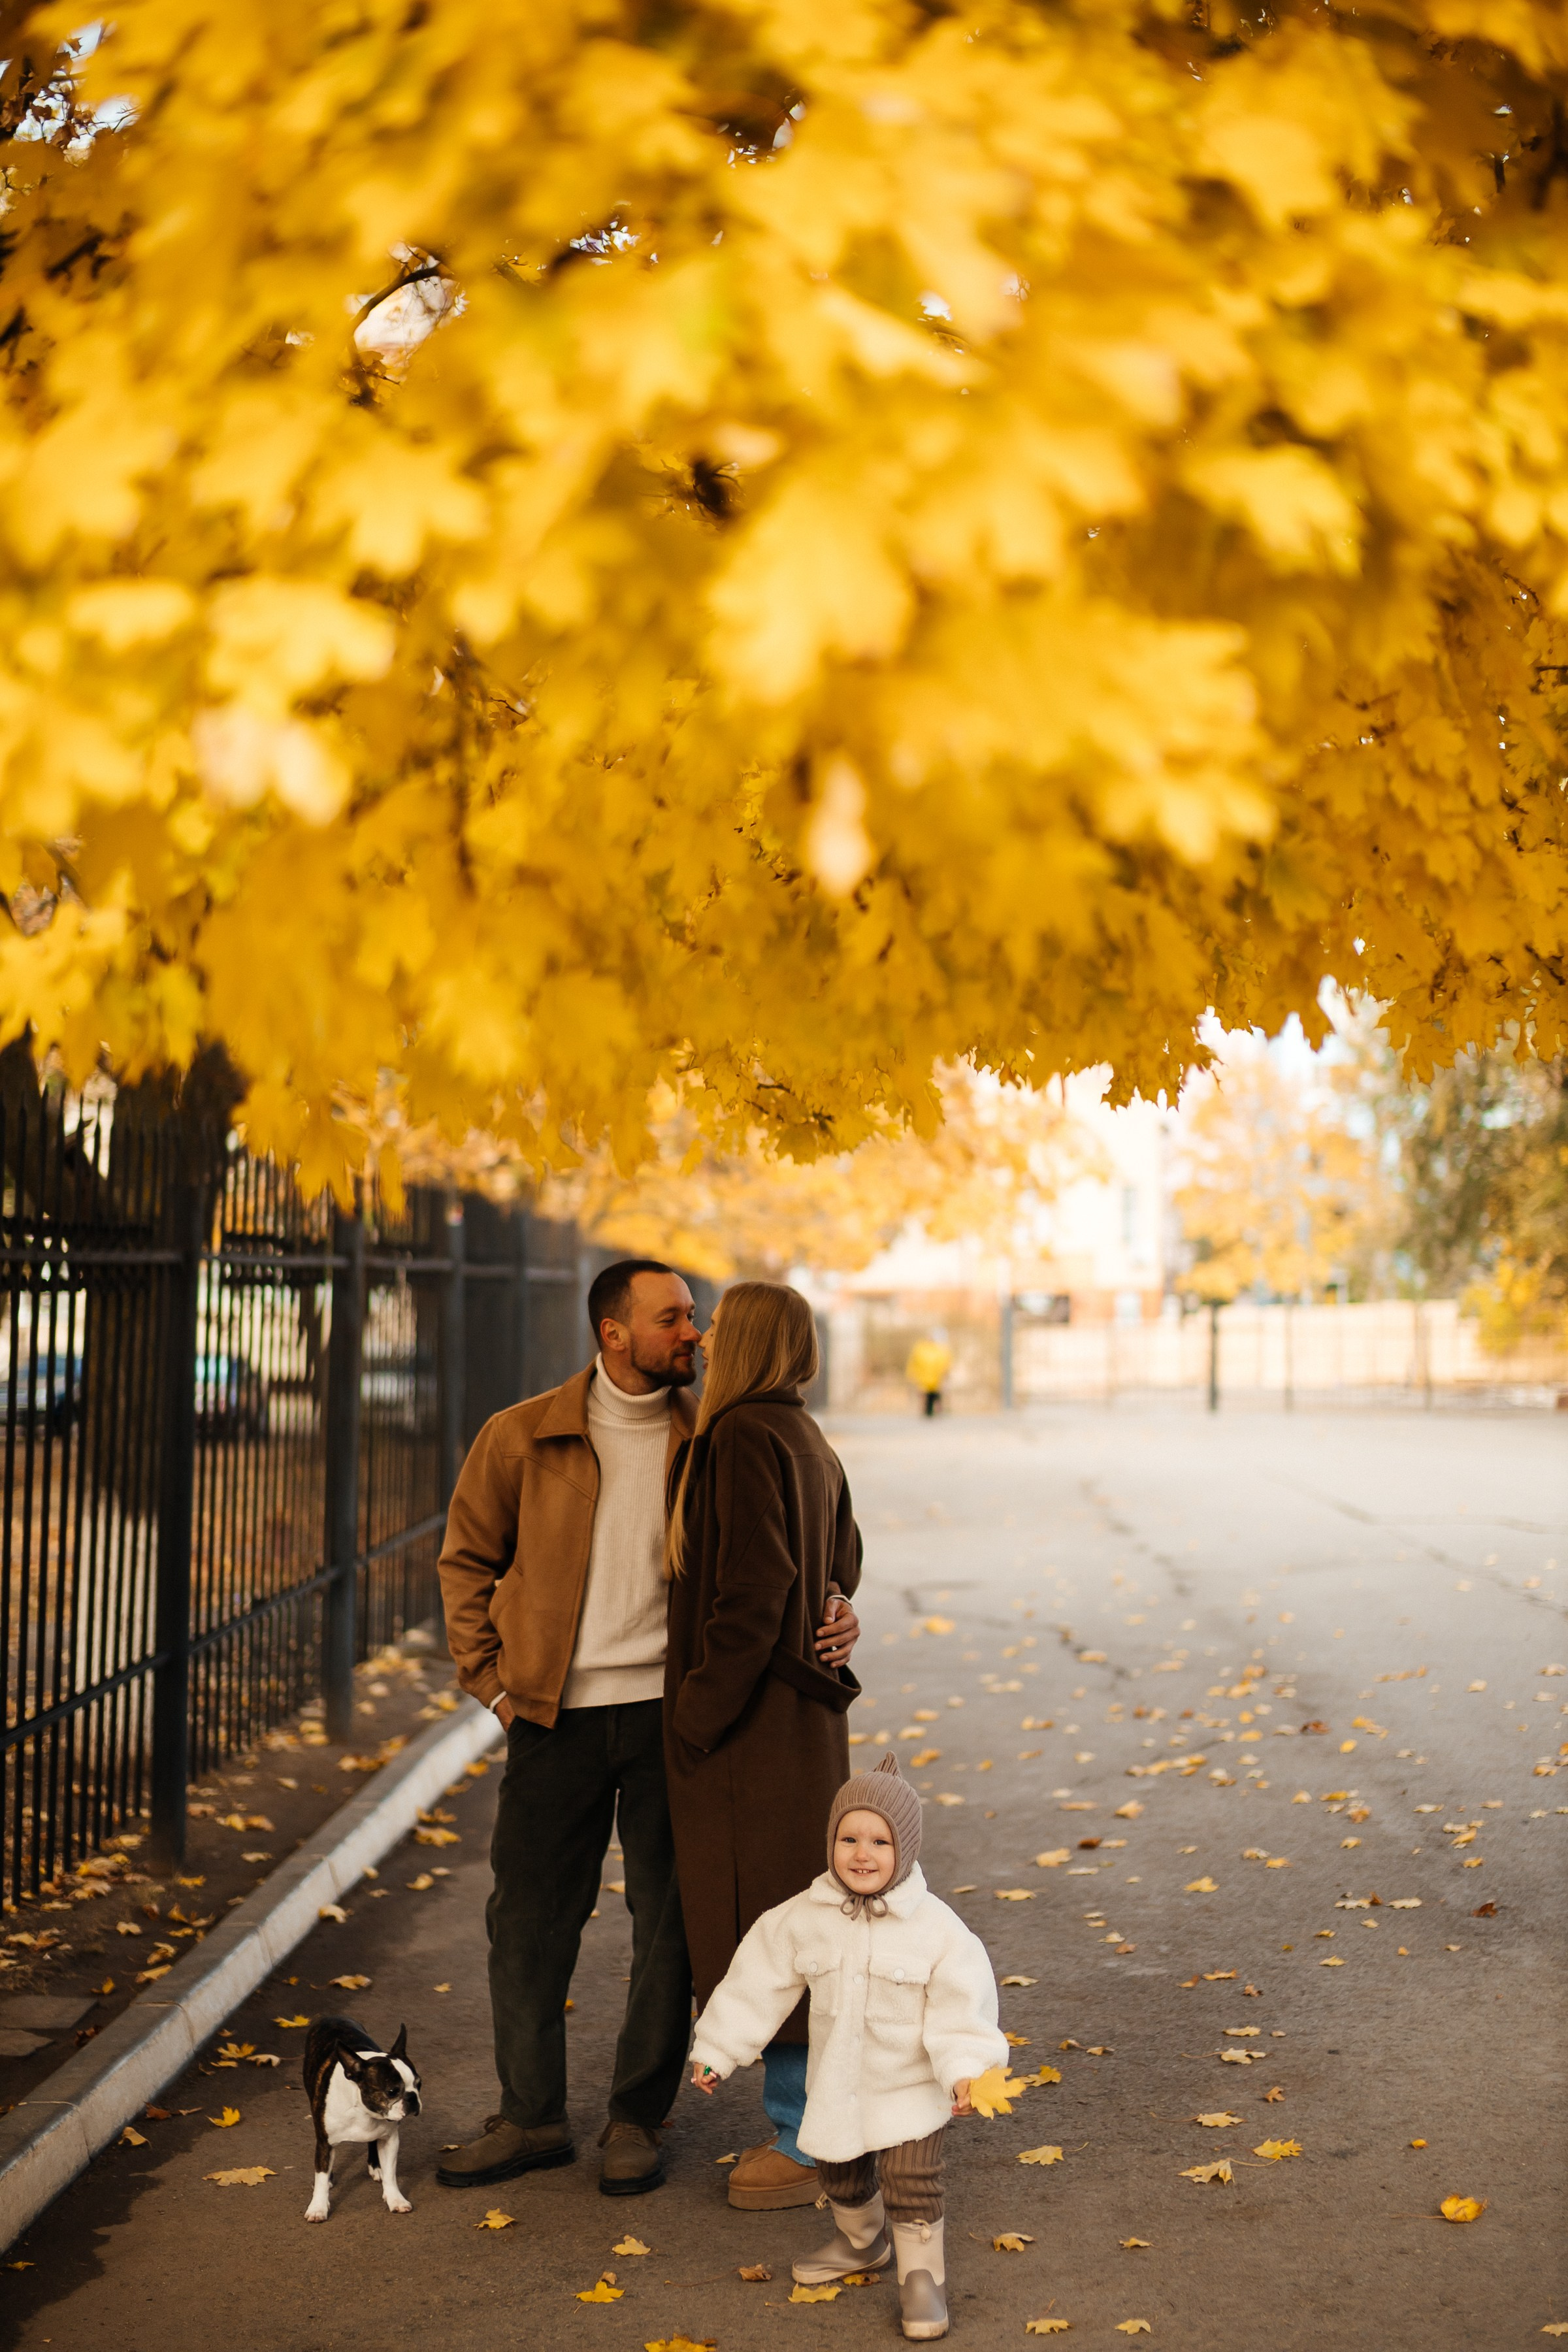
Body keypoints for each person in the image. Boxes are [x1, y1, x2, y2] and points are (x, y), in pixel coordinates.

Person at [435, 1260, 861, 2198]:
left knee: (672, 1926)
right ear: (614, 1332)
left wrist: (835, 1602)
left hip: (677, 1717)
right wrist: (493, 1687)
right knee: (528, 1920)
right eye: (671, 1318)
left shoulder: (712, 1431)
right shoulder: (522, 1436)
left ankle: (637, 2116)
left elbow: (799, 1551)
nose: (693, 1333)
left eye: (696, 1316)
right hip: (554, 1714)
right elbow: (465, 1560)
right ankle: (531, 2115)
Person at [687, 1754, 1007, 2342]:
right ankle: (861, 2241)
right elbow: (756, 1983)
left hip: (910, 2086)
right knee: (839, 2171)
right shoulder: (801, 1918)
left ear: (905, 1848)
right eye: (849, 1839)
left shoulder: (937, 1929)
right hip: (836, 2083)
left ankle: (922, 2278)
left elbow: (963, 2009)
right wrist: (717, 2049)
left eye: (880, 1842)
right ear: (830, 1842)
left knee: (911, 2178)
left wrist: (967, 2071)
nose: (863, 1854)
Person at [663, 1280, 864, 2212]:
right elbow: (842, 1561)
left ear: (745, 1340)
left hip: (755, 1732)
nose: (702, 1335)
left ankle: (805, 2141)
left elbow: (754, 1591)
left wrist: (695, 1715)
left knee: (771, 1930)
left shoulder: (742, 1434)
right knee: (801, 1924)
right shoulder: (804, 1435)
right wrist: (837, 1604)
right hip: (803, 1727)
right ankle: (809, 2127)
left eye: (715, 1323)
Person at [906, 1336, 951, 1418]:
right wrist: (912, 1374)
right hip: (926, 1378)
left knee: (933, 1396)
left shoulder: (932, 1351)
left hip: (933, 1379)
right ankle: (927, 1411)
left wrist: (944, 1374)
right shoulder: (923, 1350)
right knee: (927, 1396)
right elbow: (914, 1363)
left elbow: (944, 1364)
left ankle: (933, 1411)